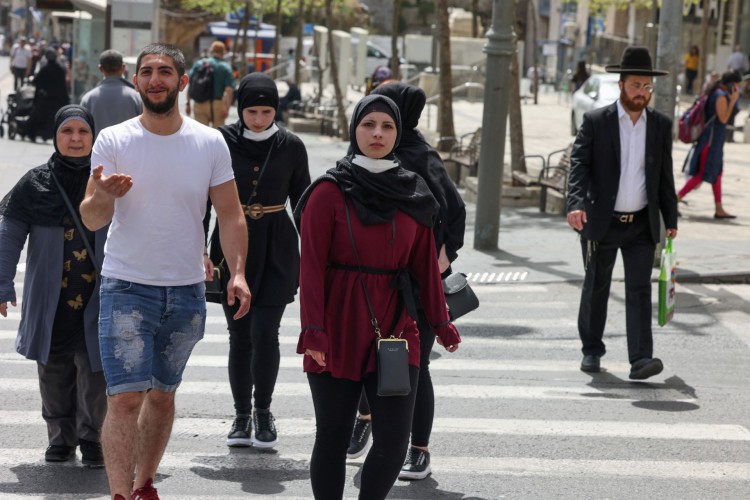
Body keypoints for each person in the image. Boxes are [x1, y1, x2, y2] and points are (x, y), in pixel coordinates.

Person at [79, 43, 251, 500]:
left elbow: (231, 214)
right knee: (125, 398)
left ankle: (144, 485)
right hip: (125, 287)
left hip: (187, 292)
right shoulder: (114, 140)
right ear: (136, 82)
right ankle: (119, 494)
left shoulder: (209, 141)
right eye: (147, 71)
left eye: (165, 71)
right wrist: (105, 196)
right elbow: (91, 217)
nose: (156, 79)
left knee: (162, 394)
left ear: (181, 81)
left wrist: (237, 272)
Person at [294, 94, 462, 500]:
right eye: (369, 124)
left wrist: (441, 322)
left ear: (398, 133)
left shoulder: (415, 192)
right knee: (333, 437)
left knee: (393, 441)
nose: (377, 133)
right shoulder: (328, 192)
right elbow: (312, 267)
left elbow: (425, 266)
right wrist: (312, 331)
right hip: (337, 327)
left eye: (387, 127)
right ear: (355, 129)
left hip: (397, 328)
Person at [346, 82, 467, 482]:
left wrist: (437, 262)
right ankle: (367, 422)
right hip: (371, 283)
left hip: (417, 288)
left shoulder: (418, 156)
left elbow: (456, 214)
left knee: (416, 368)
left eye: (387, 113)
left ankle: (419, 449)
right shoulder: (365, 155)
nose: (377, 126)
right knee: (368, 357)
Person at [0, 105, 106, 467]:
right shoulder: (35, 183)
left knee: (96, 370)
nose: (75, 139)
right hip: (51, 297)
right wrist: (2, 283)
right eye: (67, 132)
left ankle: (93, 437)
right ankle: (61, 437)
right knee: (54, 367)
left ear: (94, 136)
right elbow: (9, 234)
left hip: (99, 295)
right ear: (56, 135)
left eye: (82, 132)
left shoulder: (109, 178)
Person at [210, 72, 311, 449]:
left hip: (278, 247)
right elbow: (203, 197)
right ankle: (240, 415)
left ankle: (264, 412)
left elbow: (304, 204)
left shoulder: (292, 145)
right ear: (241, 109)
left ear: (276, 110)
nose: (258, 119)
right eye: (252, 111)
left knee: (266, 334)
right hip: (231, 244)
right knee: (239, 336)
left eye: (266, 111)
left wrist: (316, 253)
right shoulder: (220, 140)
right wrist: (200, 250)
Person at [566, 46, 678, 380]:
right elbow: (578, 166)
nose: (642, 93)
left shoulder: (659, 125)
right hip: (602, 221)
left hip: (641, 223)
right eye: (636, 86)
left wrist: (670, 220)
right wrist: (574, 204)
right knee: (596, 287)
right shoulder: (596, 121)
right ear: (621, 85)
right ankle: (591, 350)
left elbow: (665, 176)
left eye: (647, 87)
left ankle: (641, 358)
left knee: (639, 291)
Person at [677, 70, 742, 218]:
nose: (738, 89)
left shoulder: (719, 93)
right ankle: (675, 199)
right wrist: (732, 101)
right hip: (710, 143)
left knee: (717, 173)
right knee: (701, 174)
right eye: (737, 85)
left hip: (715, 142)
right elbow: (724, 118)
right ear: (731, 85)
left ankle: (719, 208)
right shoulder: (720, 96)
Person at [80, 49, 142, 138]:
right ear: (123, 68)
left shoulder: (88, 98)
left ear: (100, 68)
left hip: (98, 151)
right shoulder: (136, 97)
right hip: (129, 150)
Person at [22, 49, 70, 143]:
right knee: (50, 118)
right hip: (56, 100)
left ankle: (31, 133)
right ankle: (45, 134)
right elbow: (63, 86)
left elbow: (37, 81)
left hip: (44, 99)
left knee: (37, 116)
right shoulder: (60, 70)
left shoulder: (45, 69)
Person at [186, 41, 236, 128]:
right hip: (218, 105)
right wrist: (227, 108)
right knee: (217, 135)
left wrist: (188, 104)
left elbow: (191, 84)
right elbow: (229, 90)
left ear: (211, 51)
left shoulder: (199, 64)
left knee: (200, 135)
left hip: (199, 103)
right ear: (223, 52)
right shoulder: (225, 67)